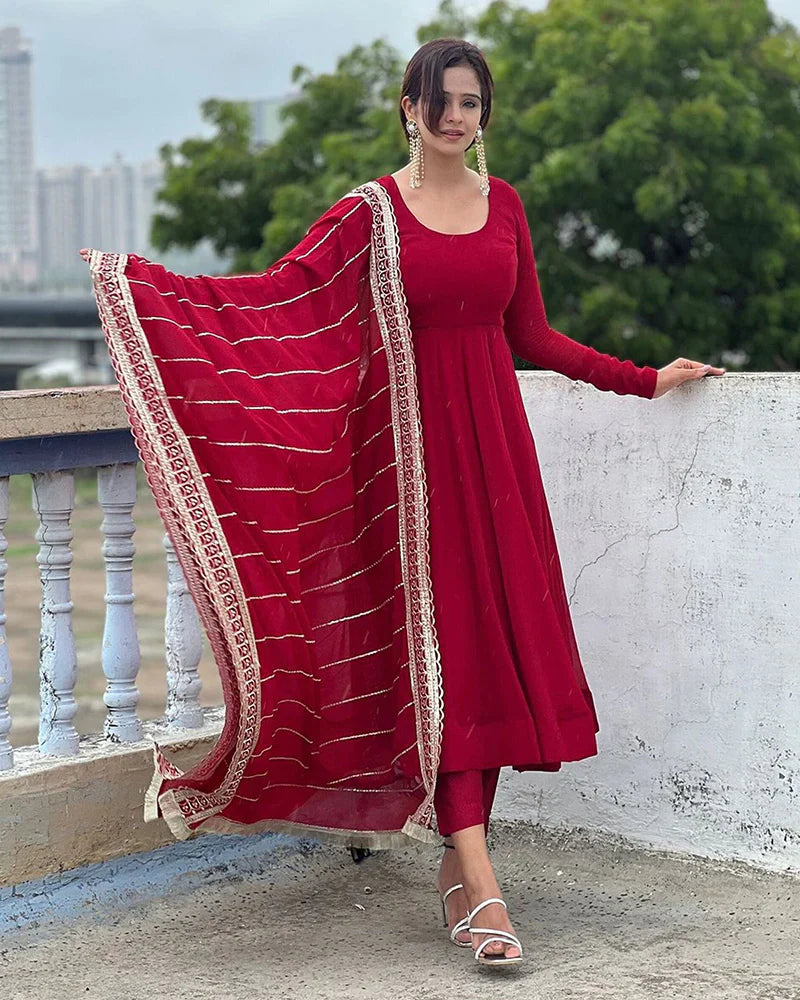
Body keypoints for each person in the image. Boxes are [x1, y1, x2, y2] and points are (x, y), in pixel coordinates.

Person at [83, 37, 725, 969]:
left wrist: (645, 379)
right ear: (408, 106)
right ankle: (483, 880)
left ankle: (460, 874)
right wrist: (144, 291)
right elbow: (279, 304)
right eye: (443, 101)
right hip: (407, 476)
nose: (457, 118)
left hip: (495, 463)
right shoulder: (369, 217)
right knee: (449, 665)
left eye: (472, 103)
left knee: (494, 665)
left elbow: (532, 335)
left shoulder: (504, 207)